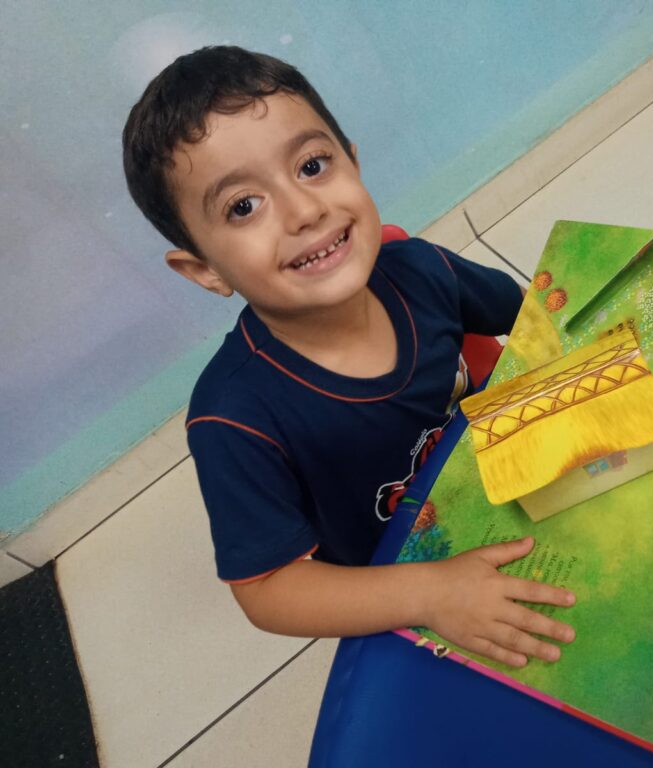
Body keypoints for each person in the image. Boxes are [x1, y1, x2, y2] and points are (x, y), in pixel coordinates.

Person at [122, 46, 574, 668]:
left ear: (354, 163)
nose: (305, 211)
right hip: (408, 591)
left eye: (312, 165)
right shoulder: (233, 417)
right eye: (244, 206)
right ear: (205, 270)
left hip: (529, 489)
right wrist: (431, 593)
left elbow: (538, 317)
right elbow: (268, 590)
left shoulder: (424, 269)